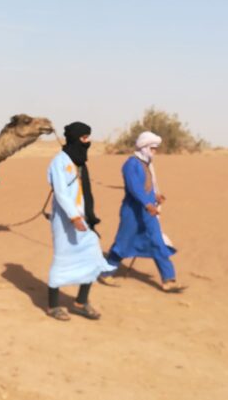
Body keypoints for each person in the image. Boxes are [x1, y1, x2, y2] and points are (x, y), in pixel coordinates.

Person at [45, 122, 116, 321]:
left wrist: (84, 216)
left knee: (92, 256)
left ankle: (81, 301)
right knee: (62, 259)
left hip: (83, 219)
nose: (88, 141)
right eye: (84, 138)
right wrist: (73, 216)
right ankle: (52, 305)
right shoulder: (60, 161)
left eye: (88, 137)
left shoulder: (79, 162)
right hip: (65, 220)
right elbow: (60, 192)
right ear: (76, 139)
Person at [100, 131, 186, 293]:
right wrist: (147, 203)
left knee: (158, 242)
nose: (155, 151)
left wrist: (156, 196)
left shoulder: (147, 165)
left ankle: (169, 280)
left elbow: (147, 186)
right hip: (132, 212)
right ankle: (106, 273)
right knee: (122, 243)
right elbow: (134, 188)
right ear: (144, 147)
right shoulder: (131, 164)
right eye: (153, 148)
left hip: (148, 213)